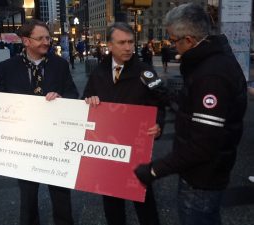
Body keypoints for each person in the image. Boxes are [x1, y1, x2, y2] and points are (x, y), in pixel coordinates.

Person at [134, 3, 247, 225]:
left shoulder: (212, 76)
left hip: (203, 178)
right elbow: (194, 108)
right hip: (206, 173)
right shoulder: (211, 62)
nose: (172, 46)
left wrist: (154, 170)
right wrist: (164, 94)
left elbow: (203, 145)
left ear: (189, 40)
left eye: (173, 40)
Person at [0, 19, 78, 225]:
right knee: (27, 199)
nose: (47, 42)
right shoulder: (8, 67)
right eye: (41, 38)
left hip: (56, 143)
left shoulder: (60, 65)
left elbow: (73, 94)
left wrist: (63, 99)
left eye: (48, 37)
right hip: (24, 144)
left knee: (61, 196)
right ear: (26, 41)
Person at [83, 22, 166, 225]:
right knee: (111, 200)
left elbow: (159, 102)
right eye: (122, 43)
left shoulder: (145, 72)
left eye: (130, 42)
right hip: (108, 146)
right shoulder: (98, 72)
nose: (128, 47)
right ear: (110, 45)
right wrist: (89, 100)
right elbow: (85, 98)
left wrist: (158, 124)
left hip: (136, 146)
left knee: (143, 199)